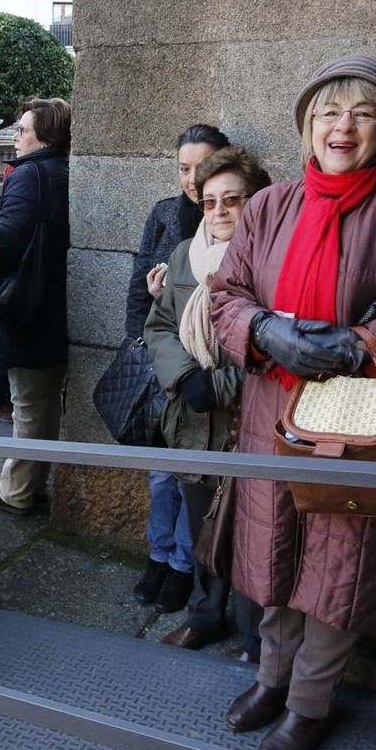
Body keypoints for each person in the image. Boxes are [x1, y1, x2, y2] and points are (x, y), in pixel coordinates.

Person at [210, 55, 376, 750]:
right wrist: (266, 330)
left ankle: (309, 703)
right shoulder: (268, 207)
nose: (342, 126)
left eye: (361, 113)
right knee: (271, 553)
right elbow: (227, 296)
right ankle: (270, 678)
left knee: (339, 568)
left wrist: (363, 344)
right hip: (272, 409)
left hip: (356, 423)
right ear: (307, 127)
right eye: (328, 112)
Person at [144, 147, 269, 659]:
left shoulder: (270, 261)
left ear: (255, 203)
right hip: (195, 422)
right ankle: (204, 616)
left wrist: (217, 385)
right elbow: (159, 326)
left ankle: (255, 638)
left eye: (232, 200)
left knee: (254, 536)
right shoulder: (184, 256)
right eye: (209, 200)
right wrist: (186, 373)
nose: (217, 211)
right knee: (202, 529)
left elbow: (271, 347)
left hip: (249, 423)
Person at [127, 124, 231, 614]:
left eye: (202, 166)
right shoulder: (165, 213)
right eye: (184, 168)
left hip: (208, 373)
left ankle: (185, 566)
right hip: (162, 367)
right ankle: (159, 554)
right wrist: (140, 340)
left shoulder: (233, 218)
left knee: (197, 481)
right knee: (161, 475)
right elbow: (137, 286)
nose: (193, 179)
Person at [0, 98, 71, 516]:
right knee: (46, 401)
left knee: (28, 403)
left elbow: (6, 239)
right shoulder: (64, 169)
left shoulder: (29, 175)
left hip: (27, 307)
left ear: (44, 135)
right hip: (54, 304)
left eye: (23, 130)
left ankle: (15, 491)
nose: (16, 136)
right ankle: (35, 482)